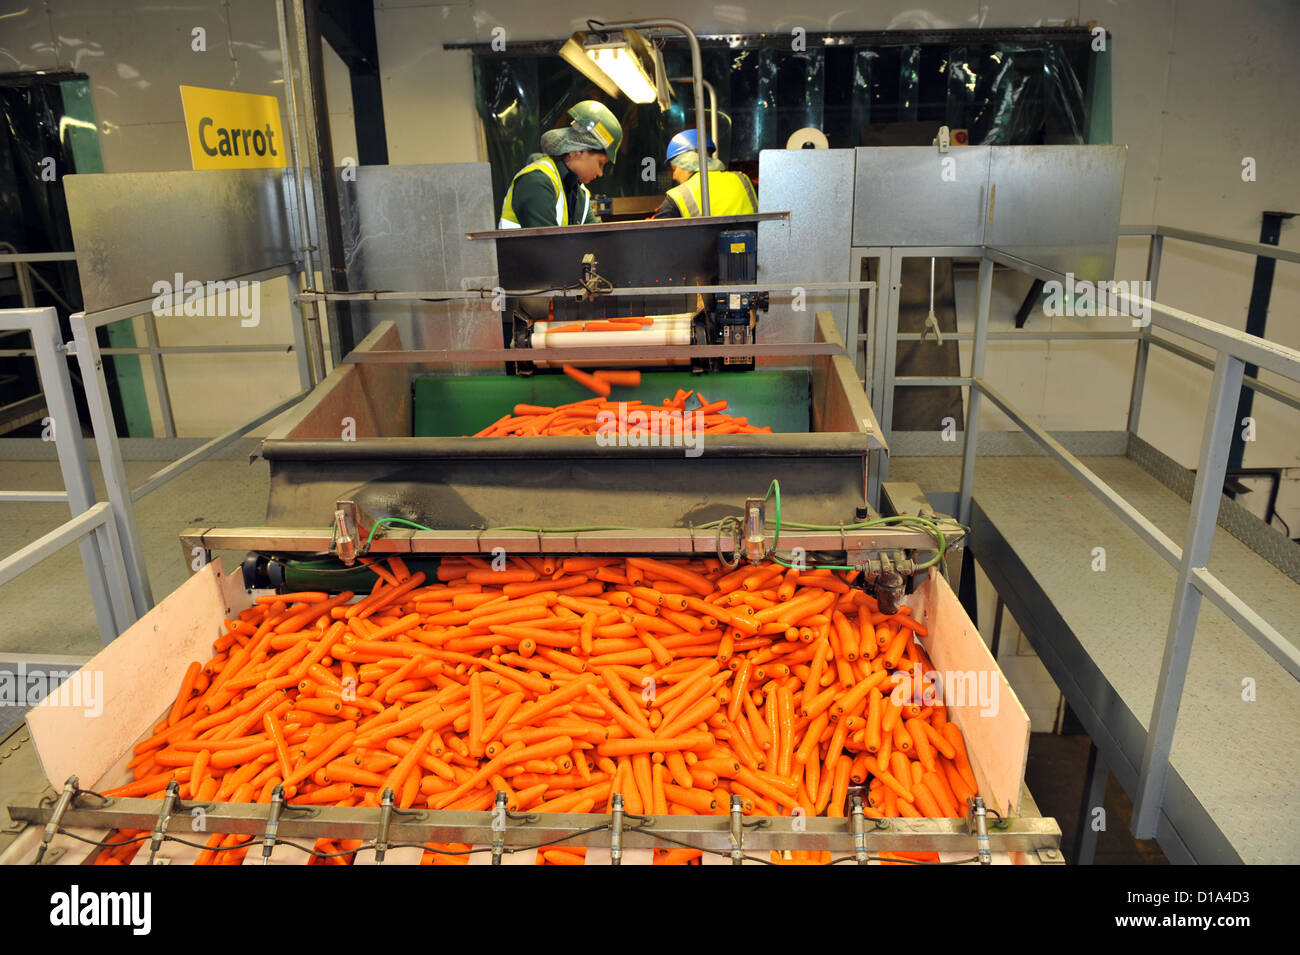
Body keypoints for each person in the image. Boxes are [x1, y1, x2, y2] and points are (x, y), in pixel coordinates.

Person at [498, 101, 623, 229]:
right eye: (600, 163)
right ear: (579, 150)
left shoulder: (579, 194)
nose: (600, 173)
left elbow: (598, 236)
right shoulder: (537, 182)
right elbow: (546, 244)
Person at [652, 129, 757, 218]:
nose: (674, 176)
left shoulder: (679, 196)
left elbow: (654, 234)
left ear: (688, 163)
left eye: (674, 169)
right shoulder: (742, 180)